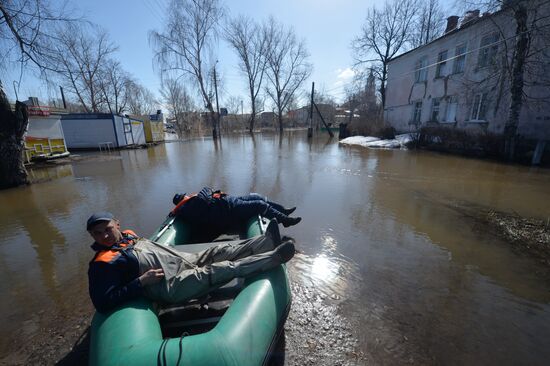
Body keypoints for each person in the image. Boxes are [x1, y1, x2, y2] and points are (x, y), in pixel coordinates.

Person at [86, 212, 295, 313]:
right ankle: (275, 257)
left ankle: (265, 242)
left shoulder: (129, 236)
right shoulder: (102, 264)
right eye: (98, 233)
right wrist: (140, 282)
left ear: (117, 224)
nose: (105, 236)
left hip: (182, 262)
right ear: (92, 236)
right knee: (221, 269)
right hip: (170, 285)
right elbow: (103, 302)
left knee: (219, 250)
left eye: (108, 229)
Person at [171, 187, 302, 235]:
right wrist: (207, 191)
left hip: (230, 201)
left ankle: (284, 210)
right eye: (185, 196)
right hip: (229, 210)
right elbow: (205, 194)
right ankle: (285, 221)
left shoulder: (190, 204)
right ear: (183, 199)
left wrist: (208, 193)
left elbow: (206, 195)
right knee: (260, 205)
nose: (187, 196)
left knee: (257, 197)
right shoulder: (187, 208)